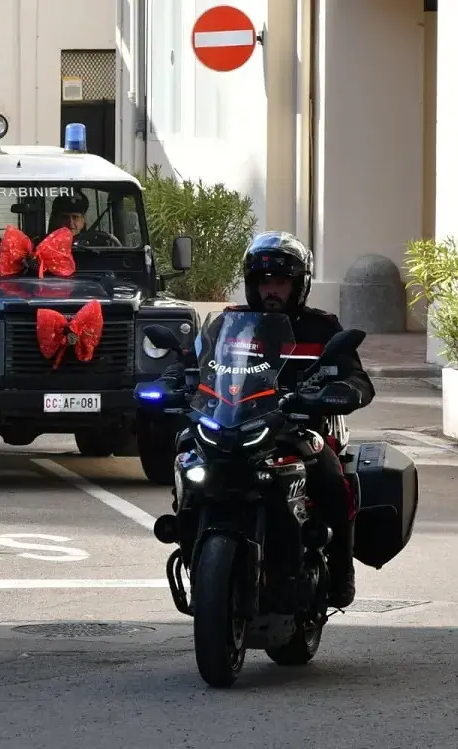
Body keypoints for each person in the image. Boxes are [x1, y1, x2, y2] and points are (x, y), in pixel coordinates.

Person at [163, 231, 374, 609]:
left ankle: (342, 569)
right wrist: (172, 381)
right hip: (233, 420)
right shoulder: (229, 324)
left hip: (294, 425)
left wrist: (344, 390)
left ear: (299, 285)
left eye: (280, 281)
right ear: (251, 284)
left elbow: (354, 377)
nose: (271, 290)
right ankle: (188, 532)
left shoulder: (321, 328)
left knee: (329, 474)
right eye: (264, 282)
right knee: (185, 450)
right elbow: (192, 364)